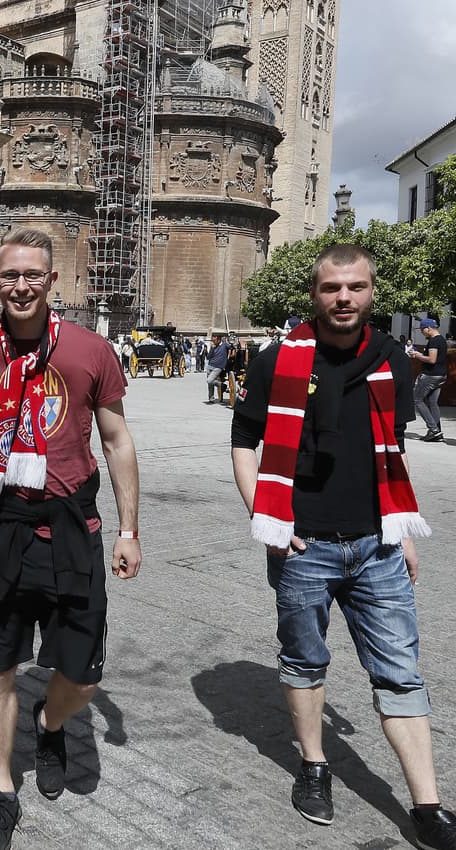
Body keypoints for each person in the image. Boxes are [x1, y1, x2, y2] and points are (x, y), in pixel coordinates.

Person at [0, 226, 141, 850]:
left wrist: (129, 529)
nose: (21, 286)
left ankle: (50, 721)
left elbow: (118, 441)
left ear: (51, 280)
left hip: (72, 528)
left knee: (84, 675)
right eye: (9, 275)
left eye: (32, 275)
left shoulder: (91, 352)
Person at [231, 243, 456, 848]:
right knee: (305, 661)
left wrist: (403, 528)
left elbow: (392, 452)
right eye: (332, 288)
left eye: (355, 287)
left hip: (378, 545)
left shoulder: (390, 360)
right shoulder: (277, 359)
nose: (344, 298)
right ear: (314, 294)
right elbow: (244, 439)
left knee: (402, 673)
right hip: (304, 548)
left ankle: (428, 806)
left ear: (371, 292)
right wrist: (267, 517)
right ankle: (314, 766)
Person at [410, 317, 447, 442]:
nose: (421, 332)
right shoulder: (442, 340)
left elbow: (432, 359)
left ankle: (433, 429)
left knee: (417, 399)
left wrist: (418, 355)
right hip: (440, 375)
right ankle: (437, 431)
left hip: (431, 375)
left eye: (422, 329)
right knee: (432, 402)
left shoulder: (434, 341)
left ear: (428, 328)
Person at [205, 333, 230, 403]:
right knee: (210, 384)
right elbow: (208, 357)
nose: (213, 342)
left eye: (214, 340)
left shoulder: (225, 345)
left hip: (218, 367)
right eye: (212, 340)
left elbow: (231, 346)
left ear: (219, 340)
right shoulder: (213, 347)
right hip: (210, 365)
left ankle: (222, 385)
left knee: (209, 380)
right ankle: (211, 398)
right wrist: (212, 349)